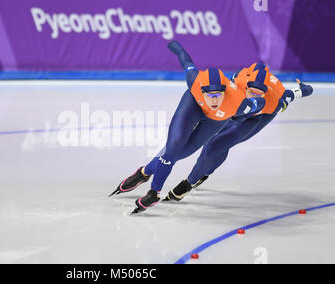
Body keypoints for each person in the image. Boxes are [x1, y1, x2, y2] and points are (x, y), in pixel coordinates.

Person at [110, 41, 267, 214]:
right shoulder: (194, 81)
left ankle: (143, 172)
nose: (214, 101)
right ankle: (154, 192)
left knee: (180, 154)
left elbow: (260, 103)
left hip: (216, 120)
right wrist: (177, 48)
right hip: (192, 105)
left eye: (218, 96)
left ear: (224, 92)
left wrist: (241, 117)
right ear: (203, 90)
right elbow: (186, 61)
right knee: (173, 147)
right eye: (210, 95)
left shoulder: (238, 102)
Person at [163, 63, 314, 202]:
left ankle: (188, 183)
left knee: (216, 147)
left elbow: (296, 93)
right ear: (246, 85)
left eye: (259, 94)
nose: (254, 96)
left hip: (256, 119)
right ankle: (204, 171)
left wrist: (305, 88)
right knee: (210, 140)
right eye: (251, 92)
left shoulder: (275, 99)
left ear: (266, 92)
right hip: (236, 110)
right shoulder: (237, 81)